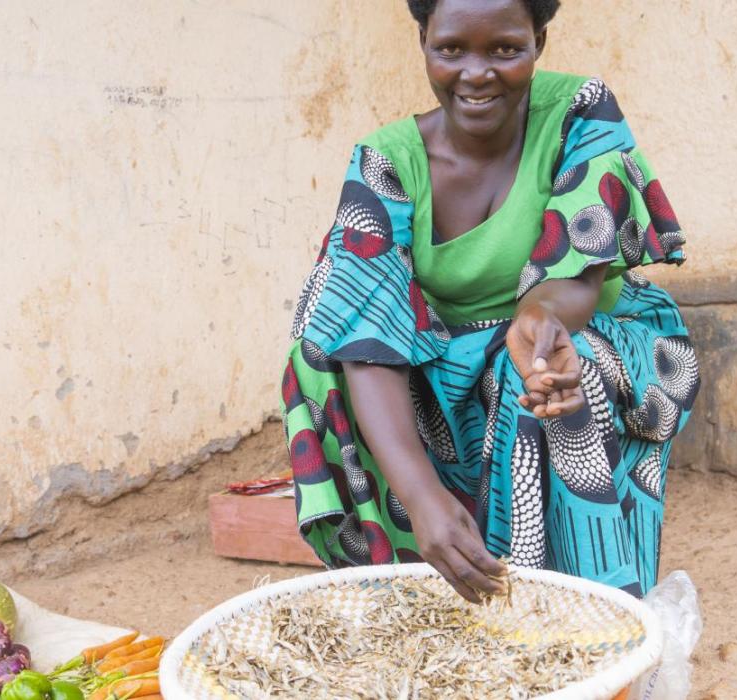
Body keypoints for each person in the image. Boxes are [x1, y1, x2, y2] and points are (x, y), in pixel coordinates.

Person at [280, 0, 696, 602]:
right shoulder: (386, 162)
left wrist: (539, 321)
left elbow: (577, 278)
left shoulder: (579, 113)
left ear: (540, 40)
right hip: (449, 367)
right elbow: (365, 338)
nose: (477, 74)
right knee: (320, 349)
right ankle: (419, 591)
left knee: (541, 377)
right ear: (423, 40)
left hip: (583, 333)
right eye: (451, 49)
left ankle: (578, 609)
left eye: (505, 49)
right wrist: (422, 499)